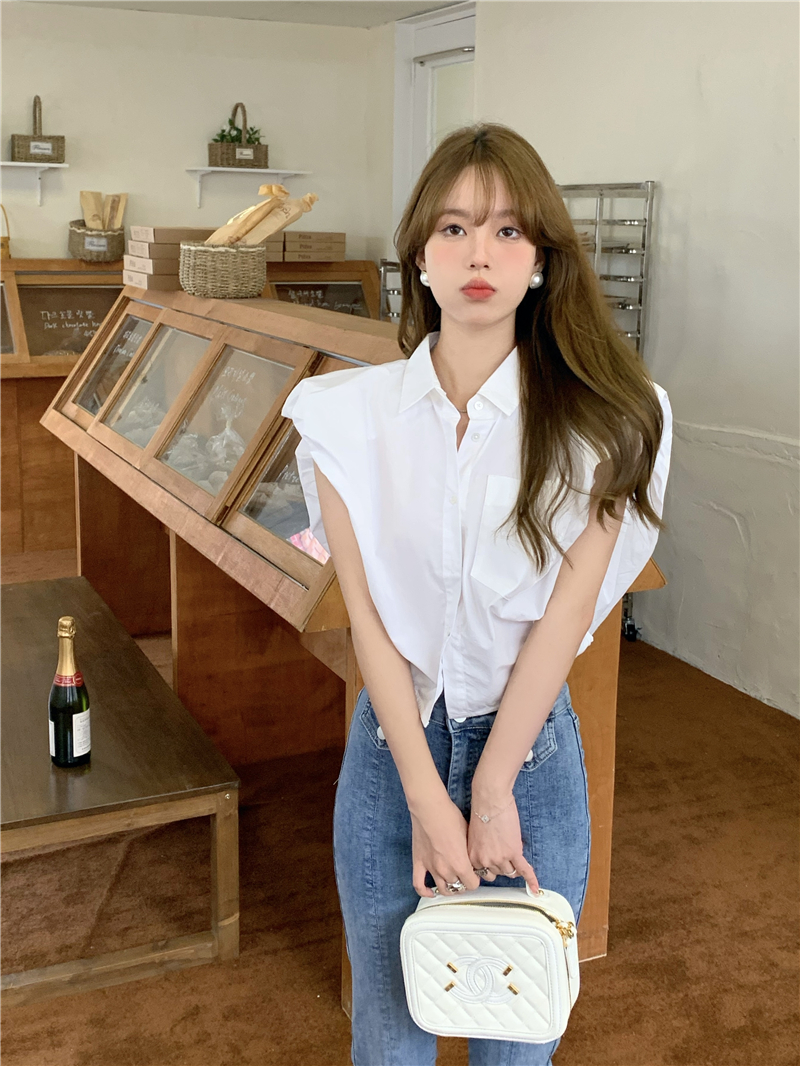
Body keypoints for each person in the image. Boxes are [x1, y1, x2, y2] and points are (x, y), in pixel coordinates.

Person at [281, 122, 673, 1066]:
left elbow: (567, 618)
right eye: (454, 229)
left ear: (540, 260)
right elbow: (369, 624)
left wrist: (492, 787)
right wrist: (427, 797)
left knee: (516, 1041)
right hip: (395, 754)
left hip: (532, 757)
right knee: (389, 1037)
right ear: (420, 257)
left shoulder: (610, 422)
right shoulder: (344, 418)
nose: (479, 255)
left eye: (506, 231)